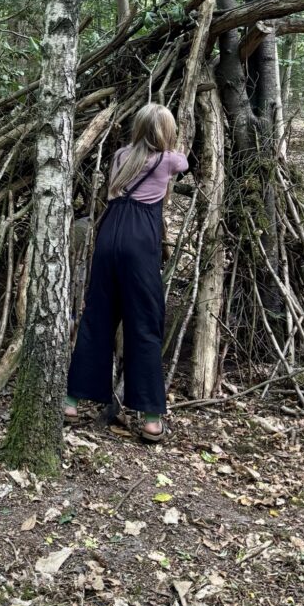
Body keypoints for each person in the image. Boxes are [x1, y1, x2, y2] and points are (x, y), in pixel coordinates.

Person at [64, 103, 188, 443]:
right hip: (139, 243)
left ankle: (71, 402)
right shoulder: (169, 160)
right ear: (165, 132)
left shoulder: (120, 156)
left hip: (109, 235)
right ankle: (151, 420)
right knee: (144, 323)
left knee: (97, 318)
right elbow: (185, 162)